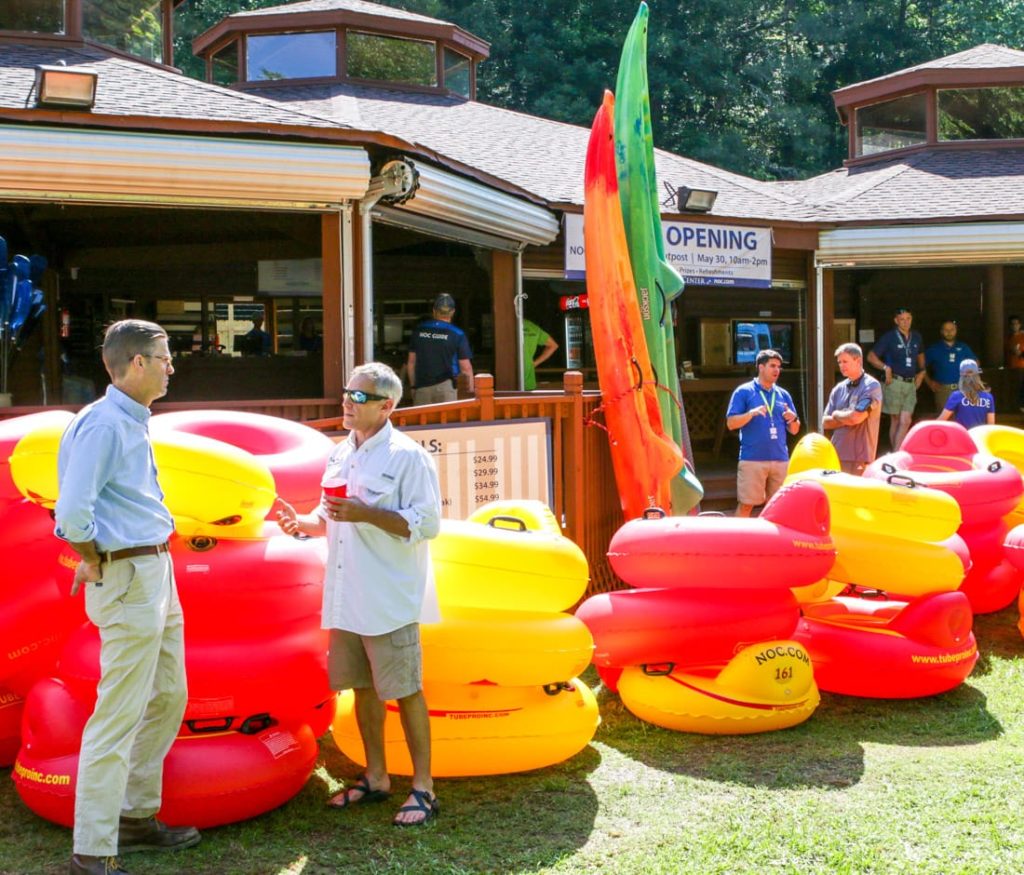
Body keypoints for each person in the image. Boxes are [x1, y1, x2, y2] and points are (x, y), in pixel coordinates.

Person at [53, 320, 199, 875]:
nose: (171, 367)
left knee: (168, 697)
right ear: (136, 363)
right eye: (164, 358)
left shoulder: (125, 421)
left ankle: (135, 819)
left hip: (152, 570)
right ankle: (93, 851)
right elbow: (71, 516)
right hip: (131, 574)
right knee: (117, 714)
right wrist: (91, 557)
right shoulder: (105, 426)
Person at [275, 362, 442, 827]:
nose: (347, 401)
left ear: (387, 406)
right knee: (362, 688)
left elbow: (427, 524)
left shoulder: (408, 457)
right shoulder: (338, 453)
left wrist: (365, 513)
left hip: (388, 596)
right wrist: (302, 524)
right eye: (347, 392)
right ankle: (376, 777)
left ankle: (424, 788)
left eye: (360, 396)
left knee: (405, 690)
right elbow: (331, 518)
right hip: (346, 594)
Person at [725, 349, 800, 517]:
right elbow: (731, 423)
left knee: (779, 508)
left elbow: (795, 430)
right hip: (752, 459)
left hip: (780, 459)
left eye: (779, 367)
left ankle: (773, 542)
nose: (776, 370)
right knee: (746, 506)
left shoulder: (783, 394)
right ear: (760, 367)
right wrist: (751, 413)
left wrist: (793, 419)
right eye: (772, 366)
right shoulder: (744, 391)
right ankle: (736, 541)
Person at [867, 306, 924, 451]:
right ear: (896, 321)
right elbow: (871, 357)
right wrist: (886, 368)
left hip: (911, 383)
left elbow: (921, 355)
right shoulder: (889, 337)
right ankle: (897, 454)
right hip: (894, 382)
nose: (905, 322)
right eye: (902, 319)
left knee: (906, 420)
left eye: (908, 319)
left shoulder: (916, 336)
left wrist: (922, 372)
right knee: (896, 419)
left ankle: (896, 454)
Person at [823, 342, 883, 476]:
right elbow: (825, 423)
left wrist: (837, 414)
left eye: (845, 361)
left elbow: (856, 418)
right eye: (839, 362)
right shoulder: (838, 389)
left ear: (858, 361)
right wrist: (848, 417)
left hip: (860, 457)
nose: (841, 366)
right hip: (837, 454)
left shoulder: (871, 386)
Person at [406, 293, 473, 404]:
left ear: (434, 311)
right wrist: (470, 392)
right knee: (447, 421)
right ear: (453, 312)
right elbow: (466, 368)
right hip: (446, 388)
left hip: (422, 388)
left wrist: (413, 387)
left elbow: (411, 362)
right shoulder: (457, 334)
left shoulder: (419, 331)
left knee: (422, 421)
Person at [925, 320, 976, 413]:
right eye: (946, 330)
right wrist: (929, 382)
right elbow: (921, 366)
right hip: (943, 389)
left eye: (952, 329)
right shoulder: (934, 348)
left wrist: (969, 380)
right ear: (941, 331)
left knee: (963, 417)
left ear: (956, 330)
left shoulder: (963, 347)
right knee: (945, 420)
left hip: (962, 388)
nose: (949, 332)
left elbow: (975, 363)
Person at [938, 359, 995, 428]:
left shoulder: (956, 396)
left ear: (961, 375)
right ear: (977, 375)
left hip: (962, 437)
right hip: (979, 437)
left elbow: (941, 420)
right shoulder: (988, 397)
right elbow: (991, 425)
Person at [522, 318, 559, 390]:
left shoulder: (505, 325)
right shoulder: (532, 327)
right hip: (528, 380)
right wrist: (534, 363)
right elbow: (553, 345)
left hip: (505, 381)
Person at [1005, 315, 1024, 411]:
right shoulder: (1008, 338)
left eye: (1016, 323)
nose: (1014, 326)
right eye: (1012, 324)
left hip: (1021, 367)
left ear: (1020, 325)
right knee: (1011, 390)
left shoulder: (1023, 336)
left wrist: (1020, 354)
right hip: (1010, 367)